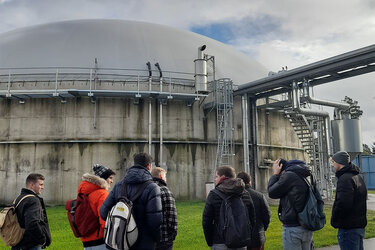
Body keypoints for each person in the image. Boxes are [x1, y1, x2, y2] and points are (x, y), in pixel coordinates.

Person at [100, 152, 163, 250]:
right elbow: (154, 222)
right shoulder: (153, 188)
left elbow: (103, 212)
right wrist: (158, 239)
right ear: (149, 166)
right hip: (145, 243)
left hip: (122, 242)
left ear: (134, 164)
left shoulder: (119, 185)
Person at [202, 165, 256, 250]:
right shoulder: (245, 193)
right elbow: (252, 219)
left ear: (223, 177)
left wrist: (210, 241)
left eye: (216, 176)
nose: (215, 179)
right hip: (241, 242)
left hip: (220, 242)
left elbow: (206, 221)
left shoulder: (214, 194)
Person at [268, 159, 313, 250]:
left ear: (282, 169)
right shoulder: (304, 174)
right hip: (306, 223)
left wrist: (276, 174)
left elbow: (272, 192)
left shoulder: (289, 176)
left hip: (293, 226)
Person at [330, 151, 367, 250]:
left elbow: (343, 203)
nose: (333, 165)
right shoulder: (357, 177)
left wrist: (335, 220)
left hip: (348, 228)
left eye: (333, 162)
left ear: (339, 162)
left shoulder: (345, 179)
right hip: (358, 225)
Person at [78, 164, 115, 249]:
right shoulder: (102, 194)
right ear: (103, 179)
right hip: (100, 241)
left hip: (86, 240)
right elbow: (104, 219)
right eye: (110, 178)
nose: (111, 181)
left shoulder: (85, 192)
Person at [12, 173, 51, 250]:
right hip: (31, 245)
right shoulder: (32, 200)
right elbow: (32, 223)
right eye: (40, 184)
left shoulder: (19, 198)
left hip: (18, 243)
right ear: (32, 185)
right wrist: (42, 239)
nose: (43, 187)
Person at [237, 172, 270, 250]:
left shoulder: (233, 196)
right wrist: (263, 228)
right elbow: (267, 215)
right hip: (257, 236)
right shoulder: (259, 196)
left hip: (239, 237)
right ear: (249, 182)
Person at [151, 167, 178, 250]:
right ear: (161, 176)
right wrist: (172, 235)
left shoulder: (147, 189)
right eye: (165, 176)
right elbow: (172, 217)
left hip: (149, 239)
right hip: (164, 239)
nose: (166, 179)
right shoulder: (165, 191)